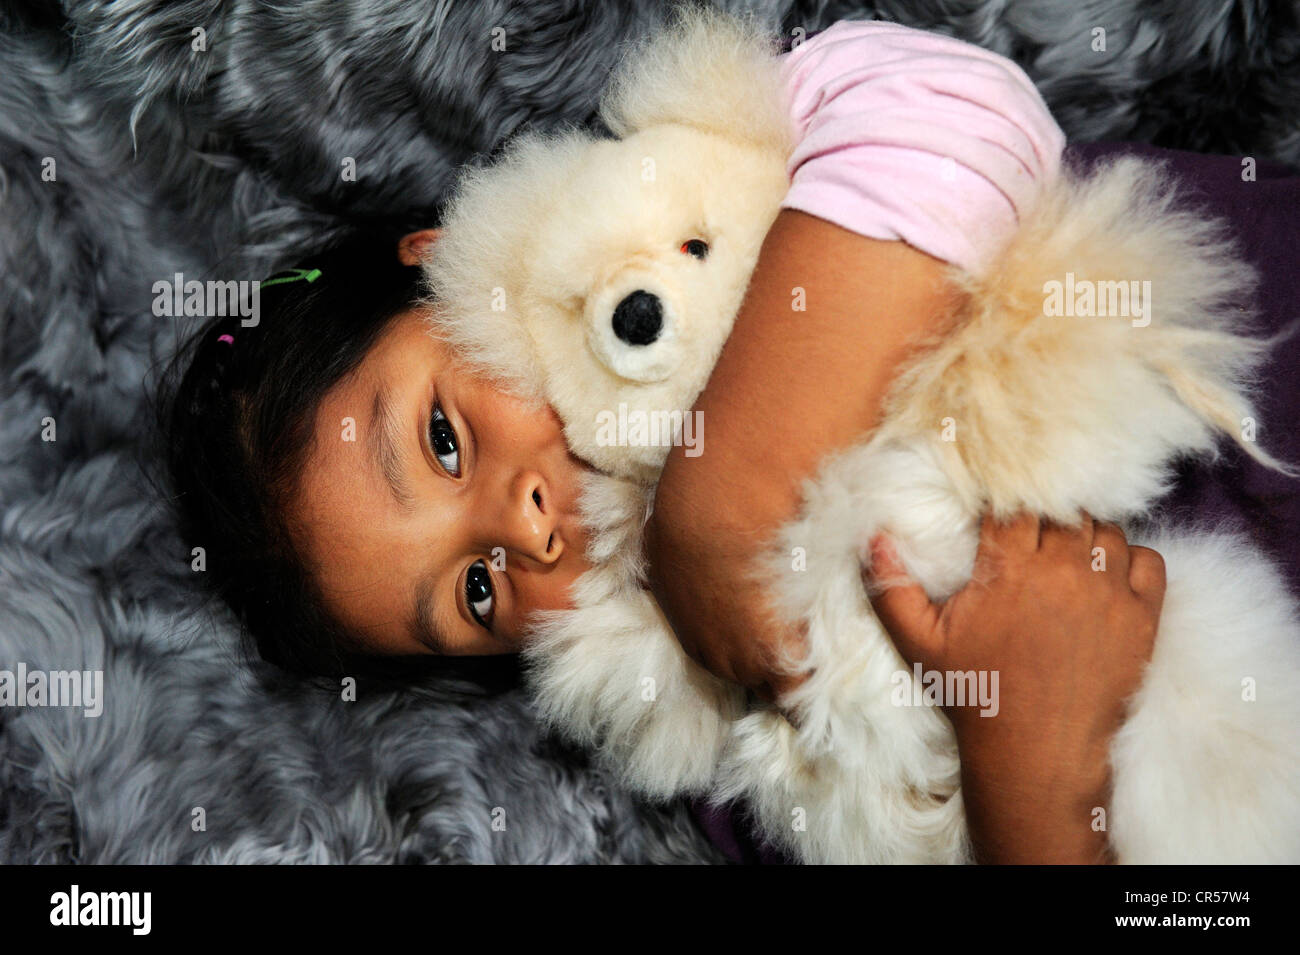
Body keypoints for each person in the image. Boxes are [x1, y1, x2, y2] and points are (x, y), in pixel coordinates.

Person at [158, 20, 1213, 863]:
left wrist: (717, 513)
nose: (519, 526)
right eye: (476, 593)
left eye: (441, 437)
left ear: (449, 260)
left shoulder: (718, 175)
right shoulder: (725, 741)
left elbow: (959, 110)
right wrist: (1030, 778)